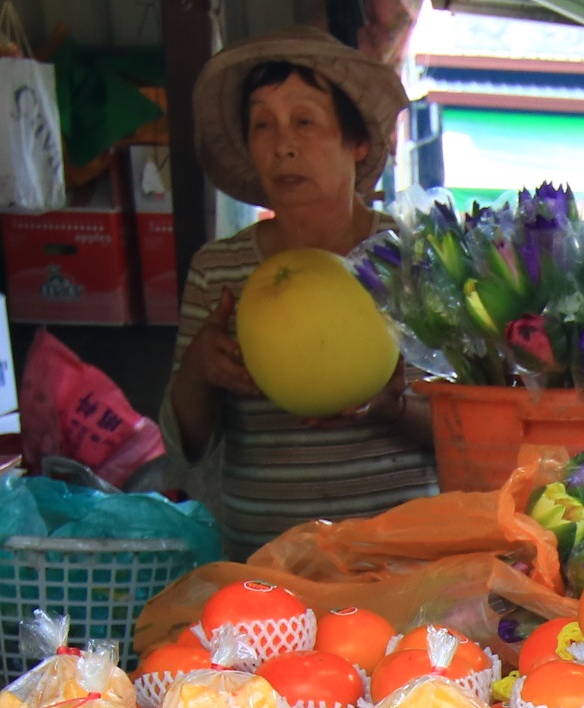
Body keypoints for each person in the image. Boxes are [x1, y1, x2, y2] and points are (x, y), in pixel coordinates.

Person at [160, 31, 437, 558]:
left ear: (357, 144)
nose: (282, 144)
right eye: (262, 124)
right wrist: (200, 369)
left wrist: (392, 409)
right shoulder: (219, 270)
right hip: (265, 568)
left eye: (304, 121)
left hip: (403, 560)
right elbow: (187, 445)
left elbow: (468, 437)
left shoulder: (411, 263)